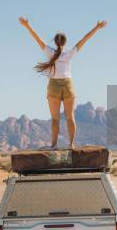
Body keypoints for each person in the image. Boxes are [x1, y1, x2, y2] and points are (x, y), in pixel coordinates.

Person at [19, 17, 107, 149]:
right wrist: (97, 27)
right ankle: (71, 144)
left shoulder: (49, 52)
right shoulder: (70, 53)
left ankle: (54, 145)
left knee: (55, 119)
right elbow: (84, 39)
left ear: (55, 42)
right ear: (65, 42)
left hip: (54, 85)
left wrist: (27, 25)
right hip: (68, 85)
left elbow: (36, 38)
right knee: (70, 117)